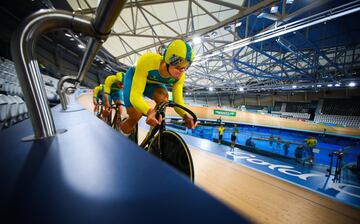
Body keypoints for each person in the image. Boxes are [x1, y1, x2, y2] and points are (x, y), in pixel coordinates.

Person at [120, 39, 196, 137]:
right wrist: (149, 111)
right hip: (134, 78)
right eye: (178, 68)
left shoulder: (180, 77)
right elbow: (135, 96)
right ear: (168, 61)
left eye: (185, 68)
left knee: (164, 99)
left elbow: (178, 102)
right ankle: (121, 133)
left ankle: (151, 137)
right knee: (136, 115)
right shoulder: (147, 60)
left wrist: (185, 115)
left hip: (152, 83)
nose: (181, 72)